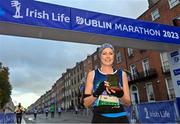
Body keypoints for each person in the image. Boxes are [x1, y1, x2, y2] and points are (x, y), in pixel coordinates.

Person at [83, 43, 131, 123]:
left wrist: (120, 94)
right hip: (100, 118)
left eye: (111, 53)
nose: (108, 56)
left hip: (121, 118)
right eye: (104, 53)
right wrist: (97, 92)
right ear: (100, 56)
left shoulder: (122, 74)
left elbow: (128, 103)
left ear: (114, 56)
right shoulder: (92, 74)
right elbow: (86, 103)